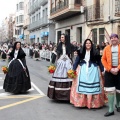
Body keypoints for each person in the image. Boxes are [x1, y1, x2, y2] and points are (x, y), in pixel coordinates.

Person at [70, 39, 106, 109]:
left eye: (89, 43)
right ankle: (82, 102)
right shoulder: (81, 52)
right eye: (87, 43)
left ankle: (94, 103)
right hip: (83, 70)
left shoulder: (95, 52)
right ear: (85, 44)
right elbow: (77, 61)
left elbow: (99, 61)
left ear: (91, 44)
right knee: (82, 86)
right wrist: (73, 70)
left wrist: (102, 70)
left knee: (93, 86)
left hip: (93, 70)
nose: (88, 44)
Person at [47, 34, 75, 101]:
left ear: (65, 38)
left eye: (63, 37)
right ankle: (58, 95)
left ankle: (69, 95)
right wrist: (52, 64)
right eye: (61, 37)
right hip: (60, 62)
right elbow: (55, 54)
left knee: (69, 76)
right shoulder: (58, 45)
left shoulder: (70, 45)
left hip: (68, 62)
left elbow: (73, 55)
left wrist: (73, 62)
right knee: (59, 75)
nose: (61, 38)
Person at [102, 33, 120, 117]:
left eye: (115, 38)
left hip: (119, 70)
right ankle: (111, 109)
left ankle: (118, 105)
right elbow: (103, 59)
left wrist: (118, 68)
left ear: (118, 39)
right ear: (110, 39)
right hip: (109, 71)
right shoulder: (106, 48)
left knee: (119, 90)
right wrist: (110, 69)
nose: (113, 39)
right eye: (112, 38)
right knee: (110, 90)